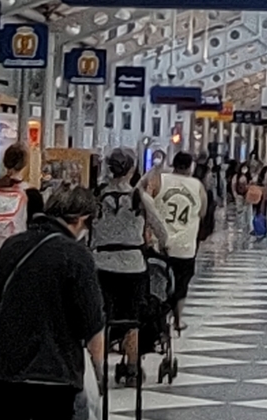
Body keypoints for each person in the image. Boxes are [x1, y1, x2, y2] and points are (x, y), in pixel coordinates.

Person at [0, 185, 106, 420]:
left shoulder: (12, 245)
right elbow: (92, 328)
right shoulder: (77, 257)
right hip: (54, 374)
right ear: (81, 220)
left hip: (4, 368)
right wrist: (100, 376)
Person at [92, 148, 169, 385]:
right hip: (133, 266)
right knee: (131, 318)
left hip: (101, 264)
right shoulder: (139, 197)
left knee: (102, 317)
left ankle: (98, 369)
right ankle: (133, 368)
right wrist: (162, 245)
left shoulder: (97, 195)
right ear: (132, 169)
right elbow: (161, 230)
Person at [0, 144, 45, 391]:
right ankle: (14, 363)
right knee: (18, 311)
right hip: (18, 261)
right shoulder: (32, 195)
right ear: (26, 164)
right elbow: (38, 226)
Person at [152, 152, 207, 332]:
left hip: (159, 243)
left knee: (157, 281)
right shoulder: (197, 186)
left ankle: (156, 316)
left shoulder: (160, 180)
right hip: (185, 245)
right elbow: (203, 212)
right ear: (190, 166)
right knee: (182, 283)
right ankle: (178, 319)